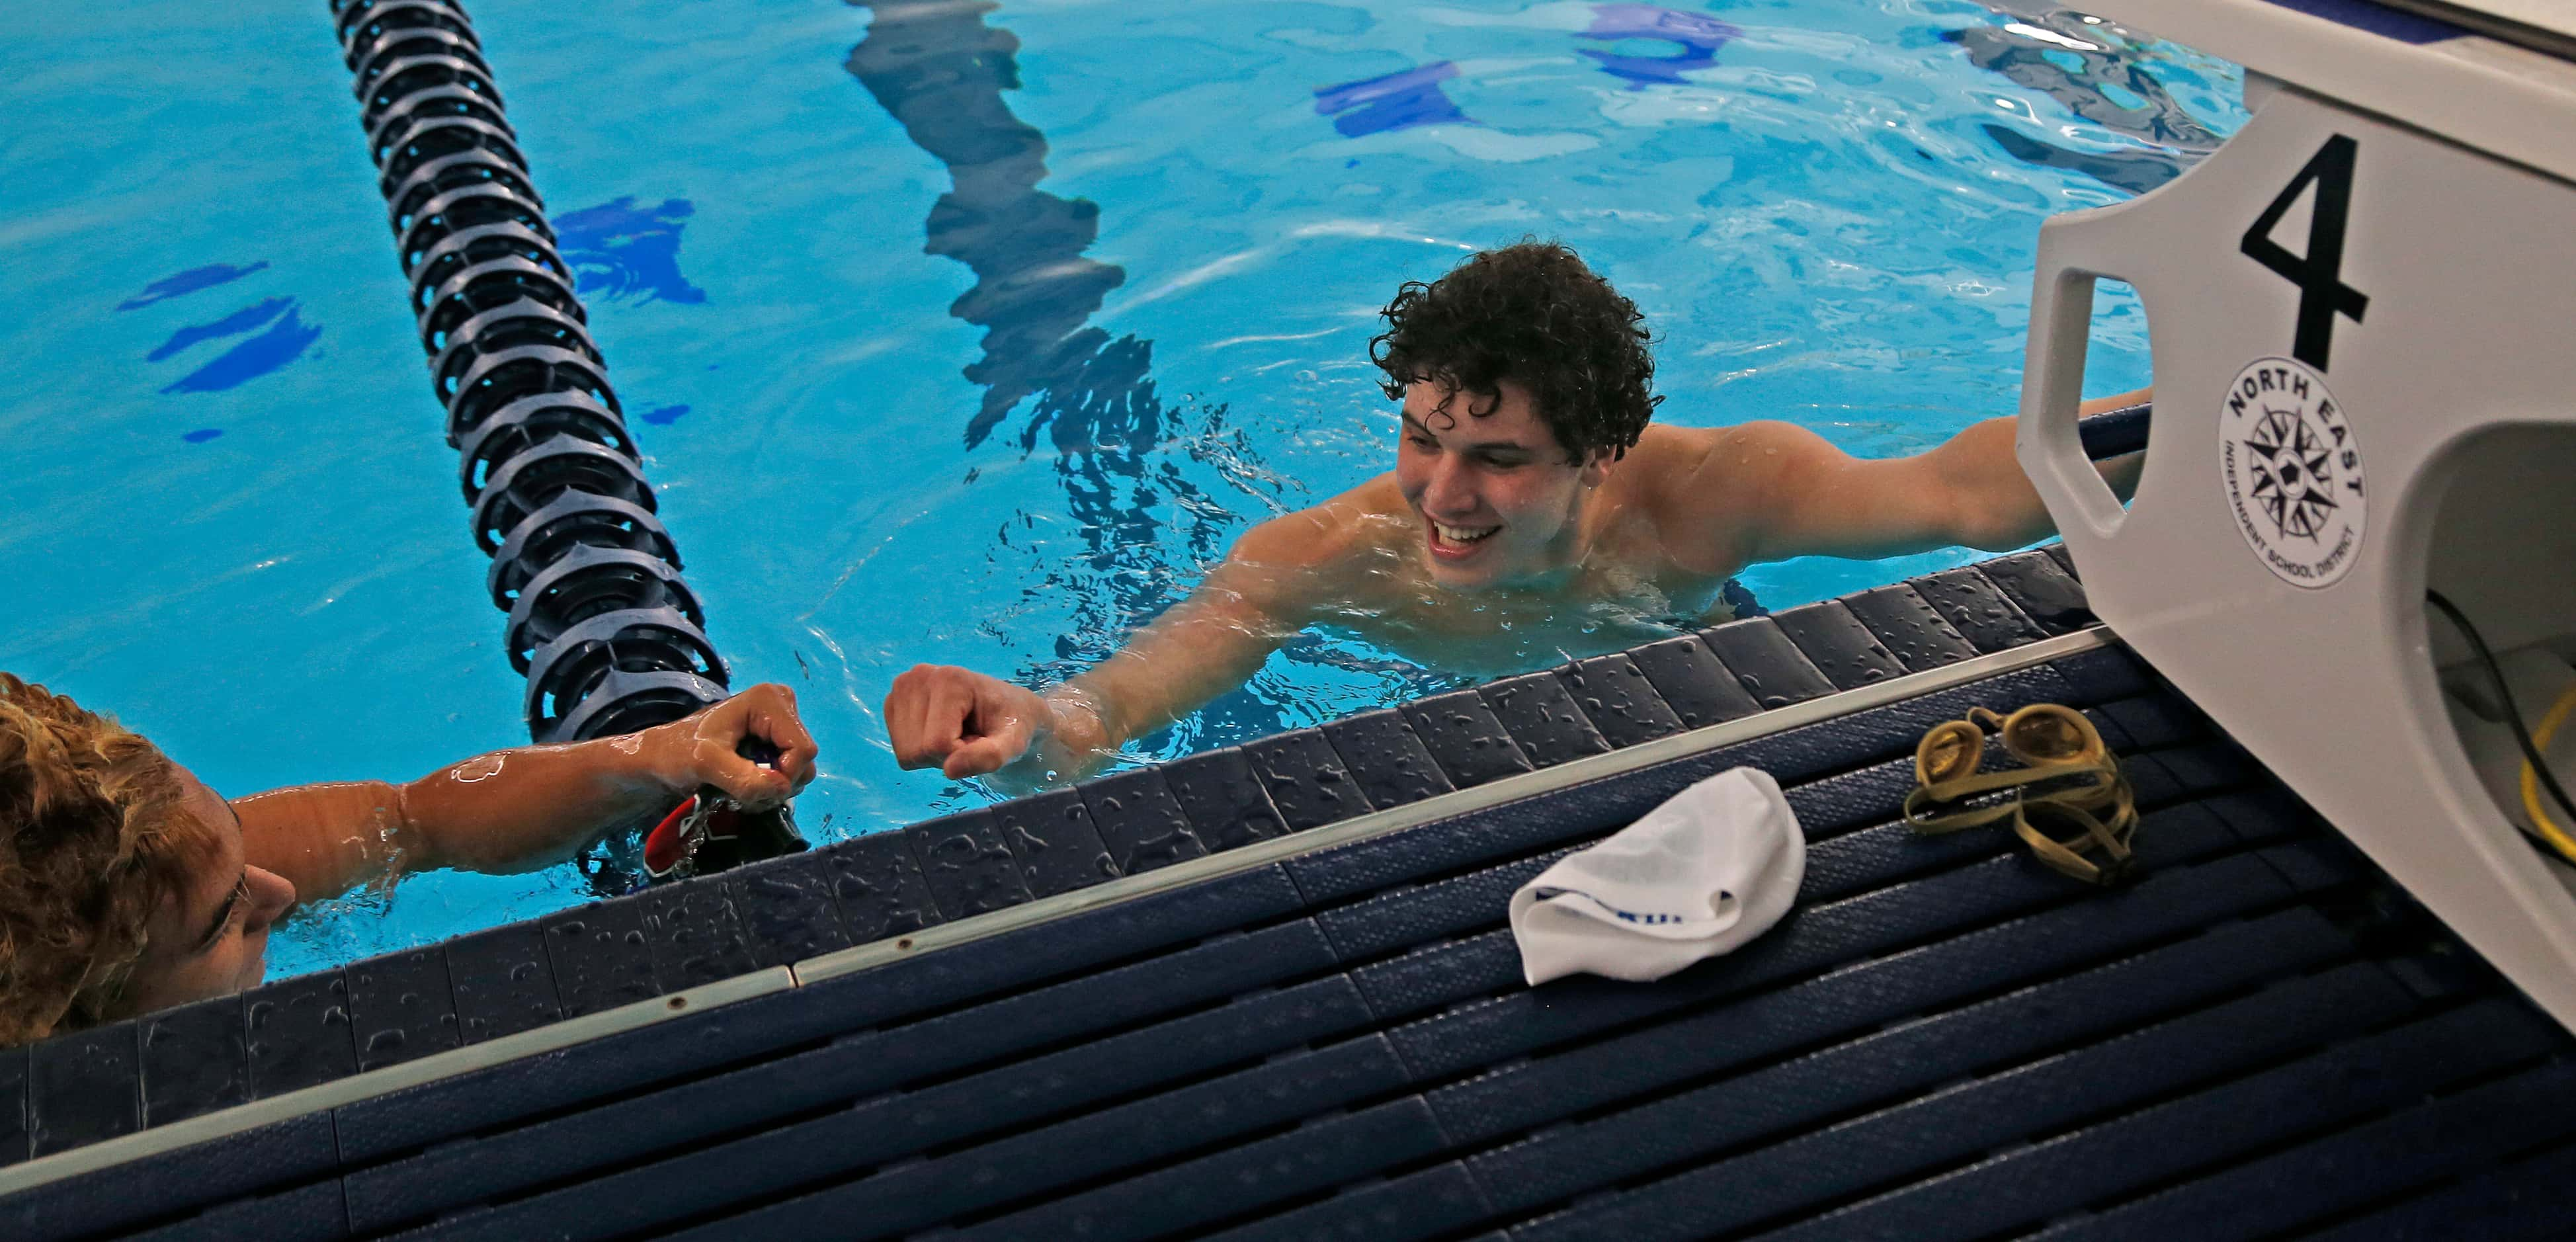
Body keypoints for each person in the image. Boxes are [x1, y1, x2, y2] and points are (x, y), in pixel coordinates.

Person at [887, 239, 2143, 784]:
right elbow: (1122, 704)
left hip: (1678, 661)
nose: (1441, 493)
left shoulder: (1718, 496)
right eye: (1422, 438)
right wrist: (1033, 722)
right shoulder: (1333, 559)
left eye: (1499, 458)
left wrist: (2204, 416)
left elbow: (1969, 492)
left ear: (1604, 450)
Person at [0, 676, 816, 1046]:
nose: (280, 894)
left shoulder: (149, 875)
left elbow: (412, 818)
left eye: (244, 849)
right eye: (225, 922)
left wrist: (657, 753)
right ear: (58, 1032)